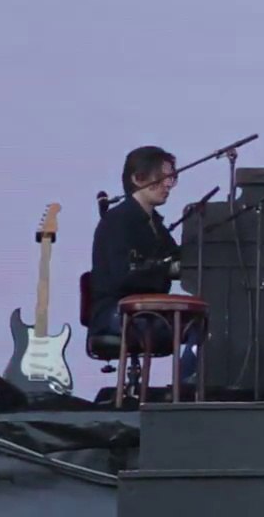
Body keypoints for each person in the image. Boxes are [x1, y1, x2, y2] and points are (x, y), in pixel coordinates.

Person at [89, 146, 199, 381]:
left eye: (173, 178)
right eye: (163, 177)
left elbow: (177, 257)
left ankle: (189, 386)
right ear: (138, 178)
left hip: (144, 312)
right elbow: (124, 276)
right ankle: (187, 386)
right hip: (117, 314)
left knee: (205, 321)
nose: (169, 185)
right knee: (200, 326)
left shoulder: (153, 223)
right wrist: (167, 269)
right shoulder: (118, 220)